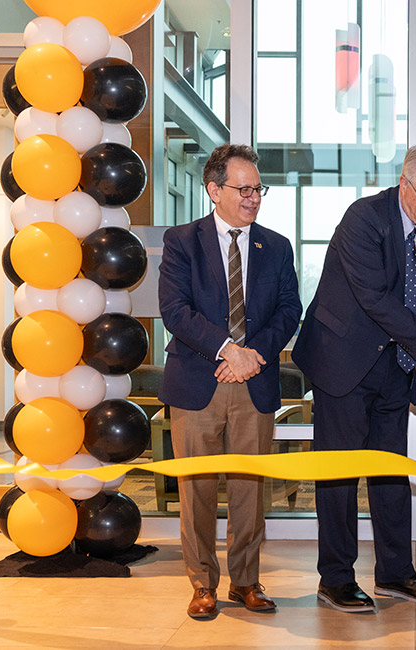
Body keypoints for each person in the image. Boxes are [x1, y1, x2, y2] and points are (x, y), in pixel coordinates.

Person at [291, 143, 416, 613]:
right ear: (404, 183)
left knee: (391, 473)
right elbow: (375, 298)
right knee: (339, 475)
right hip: (341, 362)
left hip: (393, 367)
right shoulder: (364, 218)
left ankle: (395, 572)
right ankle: (336, 579)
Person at [158, 144, 301, 620]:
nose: (254, 197)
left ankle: (246, 582)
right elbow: (175, 310)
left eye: (258, 188)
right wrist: (228, 350)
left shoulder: (276, 246)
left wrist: (253, 356)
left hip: (253, 381)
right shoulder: (182, 241)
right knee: (195, 490)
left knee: (249, 491)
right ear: (213, 190)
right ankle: (202, 583)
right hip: (199, 380)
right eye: (244, 189)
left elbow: (289, 311)